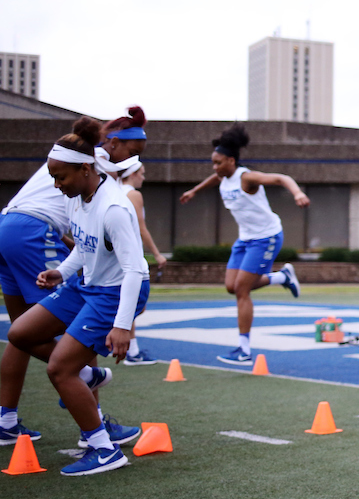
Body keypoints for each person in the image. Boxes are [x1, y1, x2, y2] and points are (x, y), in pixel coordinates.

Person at [5, 118, 149, 475]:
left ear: (86, 169)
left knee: (59, 369)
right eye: (52, 177)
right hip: (85, 284)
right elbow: (84, 248)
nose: (56, 184)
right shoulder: (74, 197)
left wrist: (122, 327)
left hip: (115, 294)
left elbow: (133, 270)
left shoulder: (114, 207)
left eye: (61, 177)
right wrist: (61, 272)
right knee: (20, 333)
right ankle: (85, 376)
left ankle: (104, 449)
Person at [179, 125, 306, 364]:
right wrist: (194, 191)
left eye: (218, 163)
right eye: (213, 164)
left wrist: (297, 193)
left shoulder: (246, 178)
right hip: (245, 239)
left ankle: (244, 350)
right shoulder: (222, 176)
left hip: (266, 237)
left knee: (242, 290)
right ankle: (282, 277)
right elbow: (212, 179)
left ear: (231, 160)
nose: (215, 168)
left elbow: (281, 178)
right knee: (231, 286)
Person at [115, 157, 167, 364]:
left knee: (129, 304)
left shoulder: (113, 192)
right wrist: (157, 253)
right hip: (129, 257)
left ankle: (132, 350)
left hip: (116, 256)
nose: (143, 178)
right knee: (134, 304)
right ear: (133, 174)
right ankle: (130, 350)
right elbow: (141, 228)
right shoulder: (133, 195)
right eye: (142, 173)